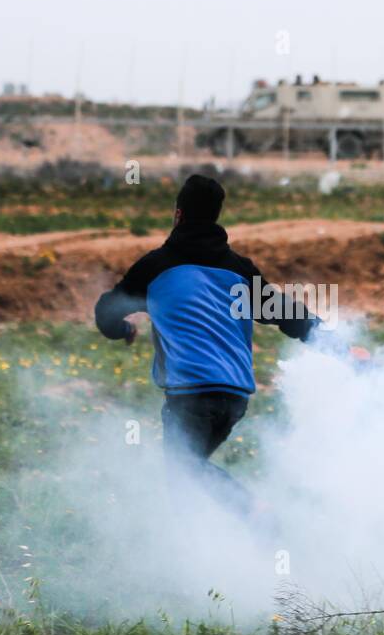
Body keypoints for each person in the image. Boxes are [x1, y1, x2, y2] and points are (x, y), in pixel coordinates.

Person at [94, 174, 319, 517]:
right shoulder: (239, 270)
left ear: (178, 214)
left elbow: (105, 314)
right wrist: (325, 335)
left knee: (185, 471)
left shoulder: (156, 266)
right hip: (235, 398)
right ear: (216, 216)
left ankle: (253, 512)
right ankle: (220, 550)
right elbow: (285, 313)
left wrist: (123, 328)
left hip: (190, 394)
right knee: (189, 476)